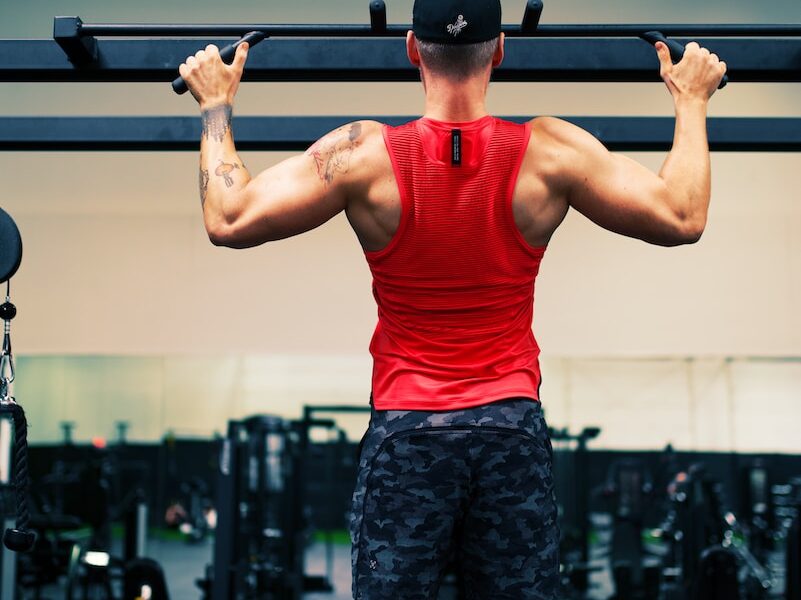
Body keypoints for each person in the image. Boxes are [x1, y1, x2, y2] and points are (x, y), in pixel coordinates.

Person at [179, 0, 726, 597]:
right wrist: (691, 100)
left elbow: (228, 218)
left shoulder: (363, 154)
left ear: (413, 48)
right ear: (499, 51)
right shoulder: (550, 151)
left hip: (408, 431)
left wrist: (215, 105)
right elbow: (682, 213)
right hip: (509, 431)